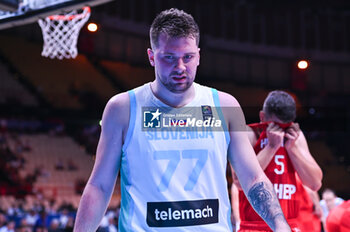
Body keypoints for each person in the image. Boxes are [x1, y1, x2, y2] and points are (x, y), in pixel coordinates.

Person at [74, 8, 291, 232]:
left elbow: (253, 177)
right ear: (151, 57)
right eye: (169, 57)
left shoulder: (225, 106)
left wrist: (280, 225)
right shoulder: (122, 109)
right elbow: (99, 186)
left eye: (187, 57)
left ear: (199, 56)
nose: (179, 67)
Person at [231, 90, 323, 231]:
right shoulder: (247, 133)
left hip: (289, 225)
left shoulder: (295, 137)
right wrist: (271, 147)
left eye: (283, 127)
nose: (279, 132)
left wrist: (292, 149)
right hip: (254, 226)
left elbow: (315, 183)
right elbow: (238, 182)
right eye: (273, 126)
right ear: (262, 117)